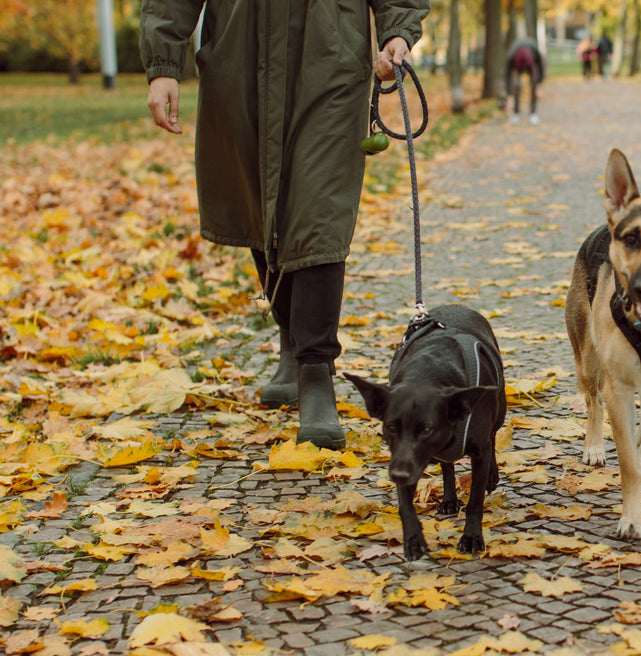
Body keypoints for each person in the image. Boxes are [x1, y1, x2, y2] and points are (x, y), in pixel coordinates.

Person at [141, 0, 430, 450]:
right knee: (258, 201)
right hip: (240, 55)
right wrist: (163, 64)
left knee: (319, 208)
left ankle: (316, 372)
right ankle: (290, 338)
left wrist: (397, 30)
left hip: (330, 55)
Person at [505, 36, 544, 125]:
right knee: (516, 84)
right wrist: (509, 95)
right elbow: (507, 76)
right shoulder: (511, 56)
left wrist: (539, 85)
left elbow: (541, 67)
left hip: (530, 62)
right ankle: (516, 113)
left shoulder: (534, 52)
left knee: (534, 84)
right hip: (517, 61)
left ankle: (533, 114)